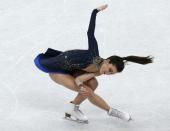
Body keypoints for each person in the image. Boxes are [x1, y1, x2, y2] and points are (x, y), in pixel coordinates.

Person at [34, 4, 154, 124]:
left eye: (111, 74)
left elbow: (80, 78)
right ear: (107, 61)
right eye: (110, 70)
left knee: (93, 83)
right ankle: (111, 111)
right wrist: (95, 12)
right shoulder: (93, 55)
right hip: (55, 69)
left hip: (71, 70)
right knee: (88, 90)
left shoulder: (100, 69)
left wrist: (81, 85)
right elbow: (90, 33)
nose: (108, 73)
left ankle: (72, 109)